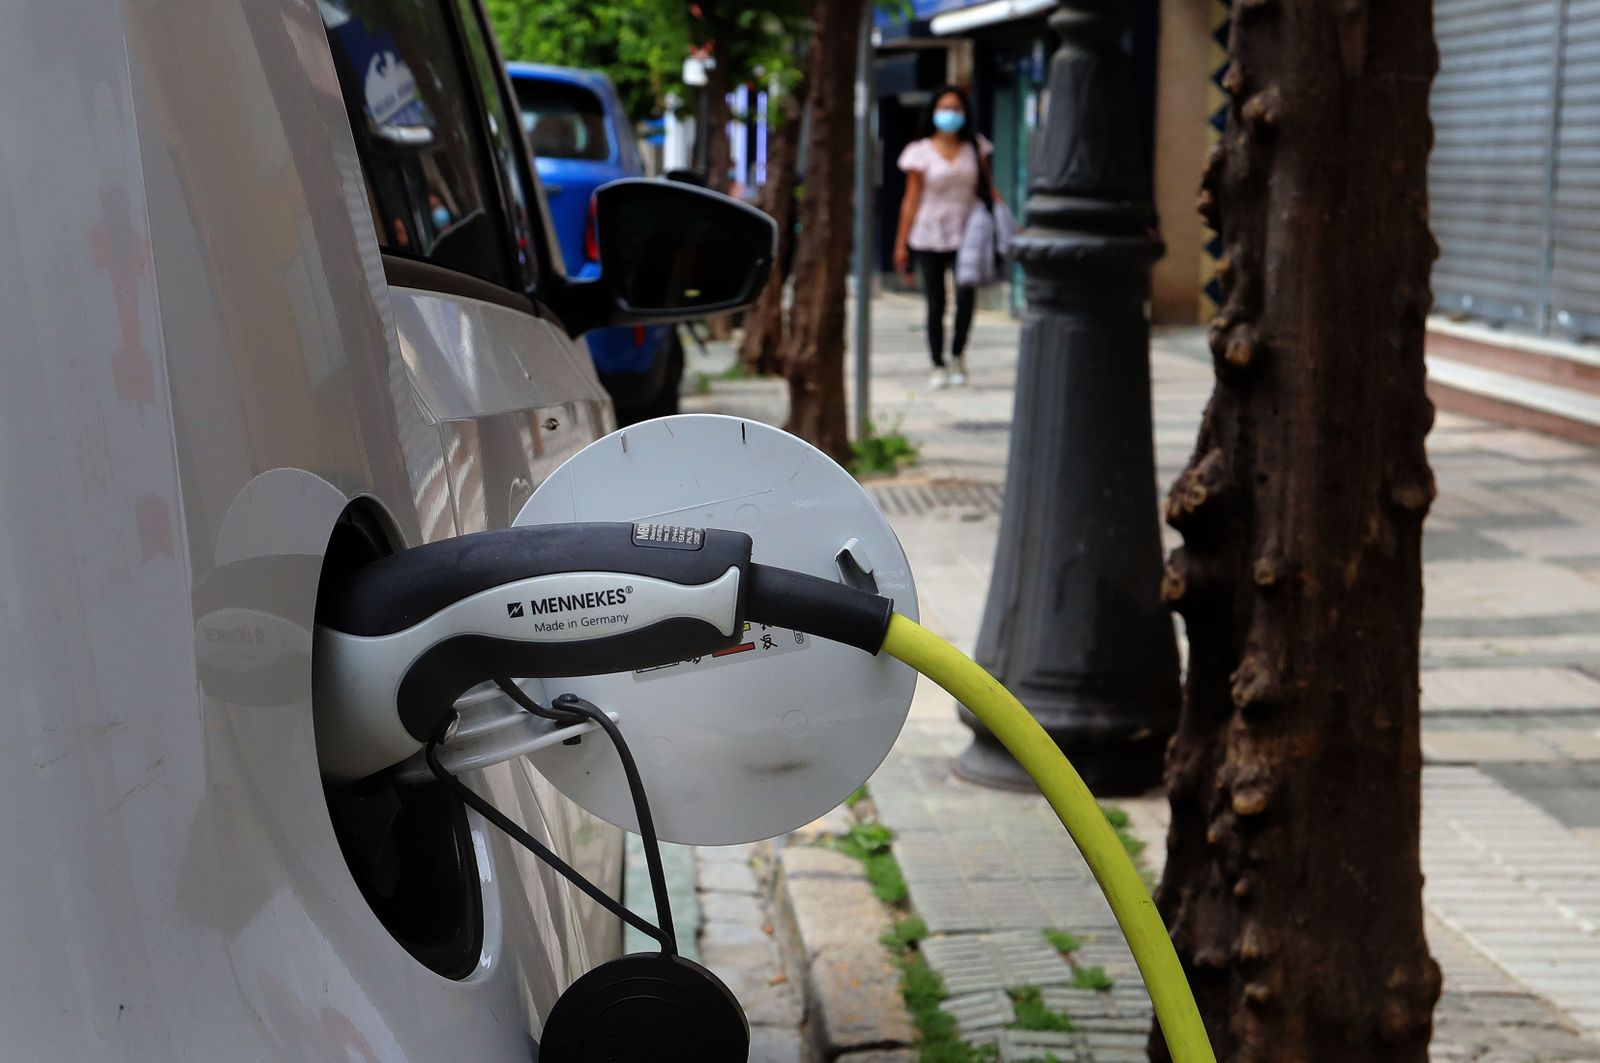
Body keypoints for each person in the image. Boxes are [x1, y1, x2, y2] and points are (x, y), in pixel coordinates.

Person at [893, 85, 998, 389]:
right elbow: (910, 199)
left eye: (956, 108)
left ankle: (957, 354)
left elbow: (988, 188)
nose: (950, 114)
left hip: (968, 232)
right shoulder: (919, 152)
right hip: (928, 233)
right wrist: (901, 243)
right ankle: (937, 363)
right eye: (944, 108)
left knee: (966, 296)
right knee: (936, 301)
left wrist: (1005, 220)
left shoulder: (976, 147)